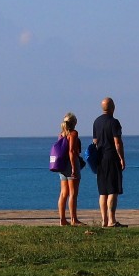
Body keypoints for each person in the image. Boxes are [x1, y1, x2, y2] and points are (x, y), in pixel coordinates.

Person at [91, 97, 126, 227]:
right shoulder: (114, 122)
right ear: (113, 107)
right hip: (111, 157)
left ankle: (104, 220)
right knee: (112, 190)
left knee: (103, 191)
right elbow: (117, 142)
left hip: (100, 158)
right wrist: (122, 158)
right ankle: (112, 220)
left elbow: (95, 141)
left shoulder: (96, 122)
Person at [51, 112, 86, 226]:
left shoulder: (61, 134)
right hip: (70, 164)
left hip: (61, 165)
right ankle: (73, 219)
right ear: (74, 123)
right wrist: (74, 168)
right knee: (73, 193)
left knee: (63, 193)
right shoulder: (73, 133)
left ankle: (62, 219)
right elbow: (71, 151)